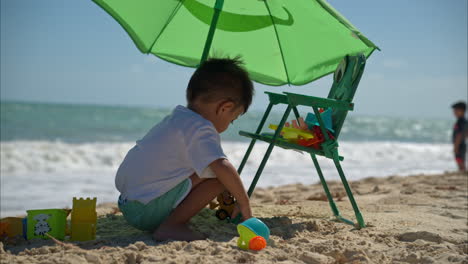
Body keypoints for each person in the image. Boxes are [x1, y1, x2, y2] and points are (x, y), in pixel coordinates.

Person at [115, 57, 254, 241]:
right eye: (233, 119)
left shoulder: (177, 119)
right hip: (146, 211)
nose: (230, 124)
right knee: (220, 178)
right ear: (224, 108)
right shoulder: (201, 128)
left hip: (127, 203)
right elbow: (223, 166)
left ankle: (171, 219)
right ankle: (171, 225)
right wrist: (244, 204)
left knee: (209, 170)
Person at [451, 101, 467, 172]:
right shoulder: (460, 121)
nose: (454, 112)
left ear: (462, 111)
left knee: (460, 161)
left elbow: (459, 135)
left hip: (460, 145)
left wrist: (456, 146)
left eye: (456, 110)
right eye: (454, 110)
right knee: (459, 160)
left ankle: (462, 171)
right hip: (460, 144)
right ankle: (462, 170)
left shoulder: (462, 121)